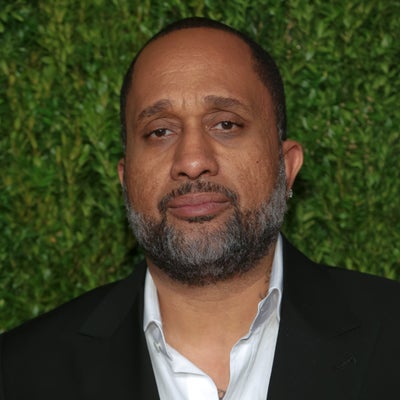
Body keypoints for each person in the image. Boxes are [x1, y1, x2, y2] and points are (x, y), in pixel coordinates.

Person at [0, 17, 399, 400]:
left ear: (287, 167)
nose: (192, 161)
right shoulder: (20, 374)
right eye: (160, 131)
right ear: (126, 179)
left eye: (226, 124)